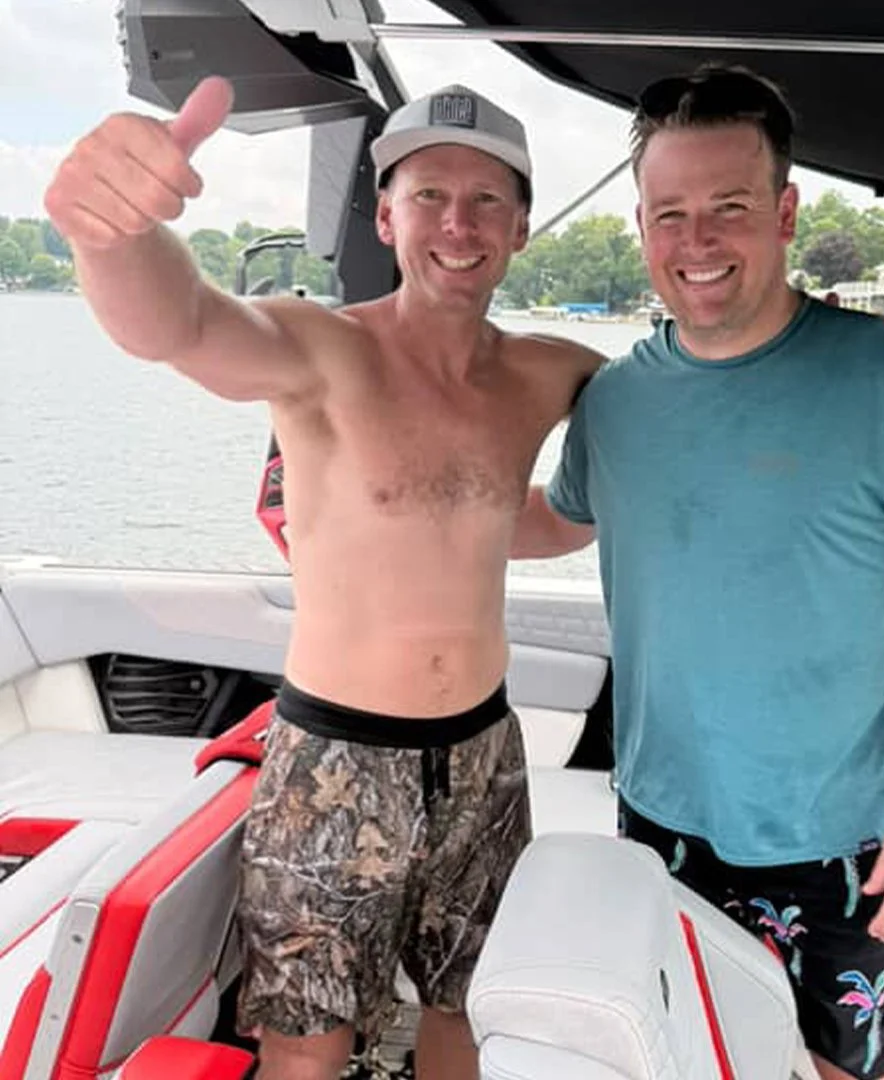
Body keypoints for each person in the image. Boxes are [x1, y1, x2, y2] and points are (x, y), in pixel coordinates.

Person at [45, 78, 601, 1080]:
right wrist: (112, 234)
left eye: (487, 200)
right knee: (306, 1043)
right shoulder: (320, 348)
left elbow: (528, 512)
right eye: (429, 196)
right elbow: (183, 325)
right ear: (387, 218)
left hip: (485, 756)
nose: (458, 224)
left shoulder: (553, 372)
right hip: (334, 759)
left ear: (520, 227)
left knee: (470, 1008)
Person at [512, 66, 884, 1080]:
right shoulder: (615, 400)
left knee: (858, 1070)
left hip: (848, 836)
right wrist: (378, 508)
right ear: (642, 227)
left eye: (729, 208)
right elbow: (556, 522)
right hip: (662, 821)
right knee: (693, 1055)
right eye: (670, 214)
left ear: (784, 213)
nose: (696, 241)